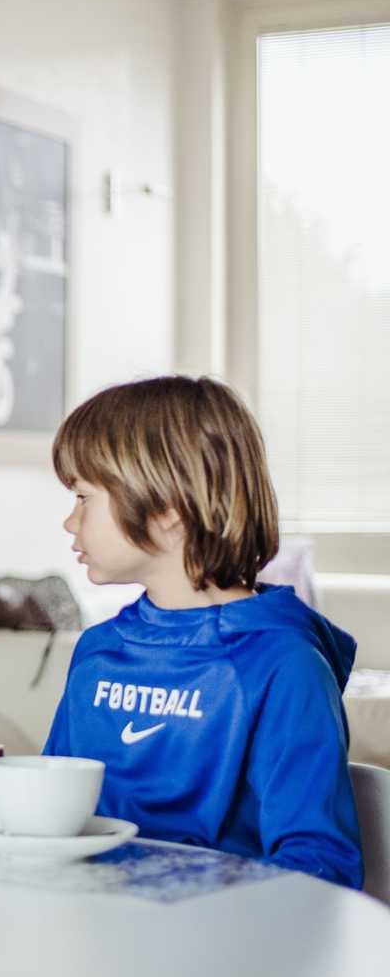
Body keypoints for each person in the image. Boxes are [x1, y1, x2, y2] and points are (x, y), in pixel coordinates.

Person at [43, 376, 363, 888]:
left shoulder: (283, 667)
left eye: (84, 497)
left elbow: (319, 868)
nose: (69, 521)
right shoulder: (98, 651)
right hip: (89, 932)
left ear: (168, 508)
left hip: (218, 950)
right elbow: (52, 815)